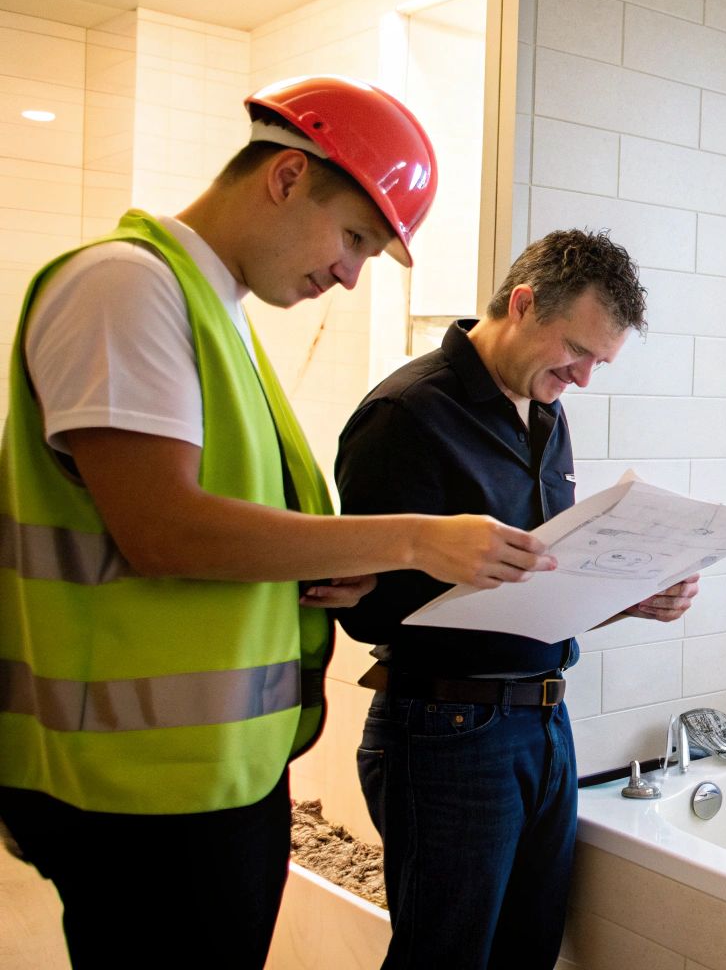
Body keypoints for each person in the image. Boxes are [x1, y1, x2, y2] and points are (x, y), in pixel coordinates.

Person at [0, 75, 557, 970]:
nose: (349, 273)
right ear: (288, 175)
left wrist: (317, 571)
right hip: (132, 792)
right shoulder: (123, 287)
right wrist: (414, 537)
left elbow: (209, 526)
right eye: (354, 239)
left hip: (212, 774)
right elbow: (166, 532)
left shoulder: (217, 314)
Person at [335, 227, 700, 969]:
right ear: (525, 304)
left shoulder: (544, 412)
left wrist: (626, 596)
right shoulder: (406, 414)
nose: (586, 379)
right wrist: (439, 560)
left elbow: (540, 578)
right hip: (446, 727)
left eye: (601, 362)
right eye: (578, 351)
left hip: (542, 722)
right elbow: (361, 608)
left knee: (528, 955)